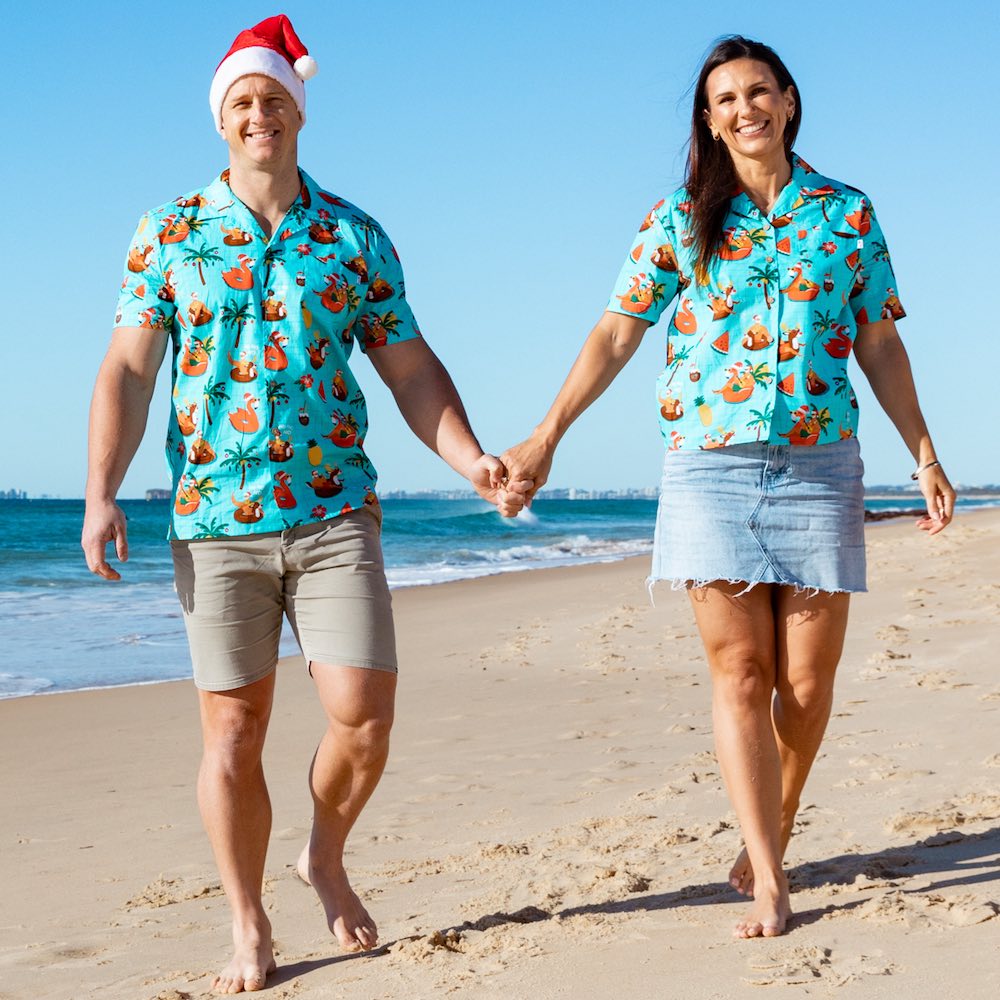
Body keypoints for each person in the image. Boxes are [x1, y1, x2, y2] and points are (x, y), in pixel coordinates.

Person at [81, 15, 527, 994]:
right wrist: (101, 492)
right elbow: (126, 367)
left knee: (361, 713)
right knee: (232, 733)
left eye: (273, 100)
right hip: (213, 520)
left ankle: (322, 854)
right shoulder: (168, 234)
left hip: (334, 513)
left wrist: (471, 459)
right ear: (222, 118)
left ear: (297, 112)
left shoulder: (351, 237)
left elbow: (409, 367)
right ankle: (248, 924)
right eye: (242, 101)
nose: (258, 115)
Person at [500, 35, 954, 940]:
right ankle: (772, 874)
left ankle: (769, 831)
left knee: (808, 687)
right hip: (709, 468)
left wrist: (926, 453)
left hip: (822, 468)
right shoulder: (679, 218)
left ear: (787, 101)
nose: (745, 109)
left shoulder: (848, 214)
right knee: (741, 674)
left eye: (759, 92)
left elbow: (880, 343)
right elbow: (615, 335)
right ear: (710, 122)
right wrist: (548, 434)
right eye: (725, 100)